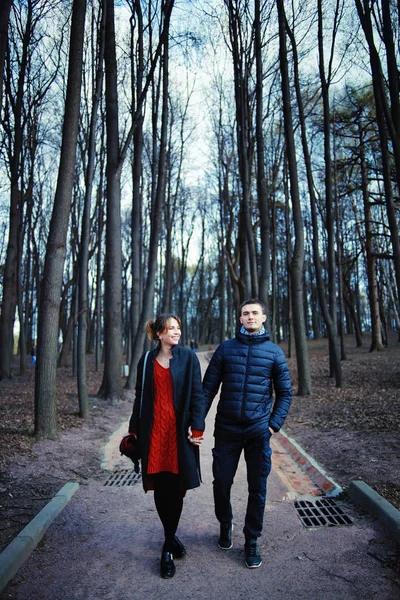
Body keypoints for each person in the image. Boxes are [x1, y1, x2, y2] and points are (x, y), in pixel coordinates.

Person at [202, 299, 292, 569]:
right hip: (227, 430)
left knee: (258, 488)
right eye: (245, 313)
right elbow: (208, 389)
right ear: (240, 319)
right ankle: (225, 524)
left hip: (257, 433)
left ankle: (251, 541)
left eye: (255, 313)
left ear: (263, 317)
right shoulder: (226, 349)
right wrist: (197, 423)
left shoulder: (275, 353)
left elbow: (285, 393)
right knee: (221, 482)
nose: (250, 316)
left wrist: (273, 424)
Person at [127, 314, 206, 579]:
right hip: (153, 434)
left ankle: (167, 545)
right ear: (159, 334)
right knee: (161, 488)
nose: (176, 332)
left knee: (177, 485)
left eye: (178, 328)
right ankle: (169, 542)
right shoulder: (147, 360)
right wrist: (133, 430)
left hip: (178, 435)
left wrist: (197, 428)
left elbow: (197, 394)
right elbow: (139, 396)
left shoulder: (189, 358)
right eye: (170, 328)